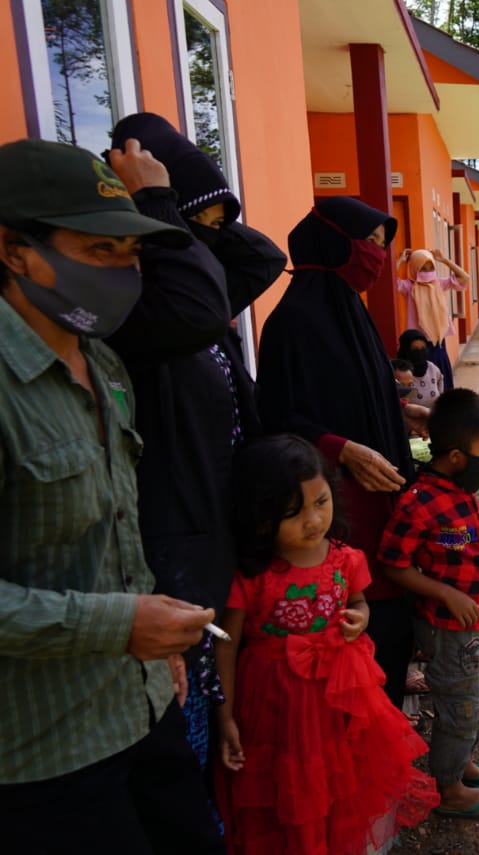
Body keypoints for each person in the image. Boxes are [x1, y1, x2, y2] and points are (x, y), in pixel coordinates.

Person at [0, 138, 223, 852]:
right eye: (100, 252)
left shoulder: (103, 361)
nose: (125, 273)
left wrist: (155, 647)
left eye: (132, 253)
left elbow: (117, 531)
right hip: (44, 753)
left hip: (141, 705)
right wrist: (119, 624)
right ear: (13, 250)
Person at [109, 112, 287, 777]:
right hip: (175, 550)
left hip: (214, 532)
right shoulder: (148, 313)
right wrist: (158, 206)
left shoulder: (197, 296)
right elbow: (198, 306)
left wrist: (188, 207)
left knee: (220, 726)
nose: (210, 242)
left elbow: (261, 257)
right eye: (198, 226)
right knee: (190, 736)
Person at [214, 435, 438, 853]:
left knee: (341, 781)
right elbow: (226, 645)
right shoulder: (251, 576)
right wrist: (225, 715)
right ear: (261, 519)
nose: (313, 520)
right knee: (292, 788)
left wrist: (360, 619)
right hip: (275, 704)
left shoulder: (346, 558)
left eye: (321, 502)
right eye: (293, 513)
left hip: (339, 695)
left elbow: (358, 602)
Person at [255, 196, 428, 710]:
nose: (376, 256)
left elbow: (354, 395)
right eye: (369, 243)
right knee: (356, 617)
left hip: (380, 492)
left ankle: (391, 722)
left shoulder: (352, 310)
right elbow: (279, 417)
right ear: (332, 241)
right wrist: (341, 449)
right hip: (337, 500)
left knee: (393, 614)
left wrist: (399, 414)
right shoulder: (292, 320)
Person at [379, 388, 479, 819]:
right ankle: (448, 787)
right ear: (456, 457)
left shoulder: (459, 490)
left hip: (477, 624)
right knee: (461, 708)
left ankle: (461, 760)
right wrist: (447, 593)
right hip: (448, 628)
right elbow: (393, 565)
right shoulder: (418, 503)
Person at [396, 247, 468, 391]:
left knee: (443, 383)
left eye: (430, 267)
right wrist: (401, 260)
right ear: (415, 268)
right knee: (423, 385)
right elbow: (389, 281)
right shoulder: (409, 287)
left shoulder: (439, 284)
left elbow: (464, 278)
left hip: (438, 342)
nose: (427, 272)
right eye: (423, 268)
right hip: (418, 345)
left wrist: (444, 260)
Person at [396, 328, 445, 410]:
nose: (419, 353)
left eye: (423, 349)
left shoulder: (433, 369)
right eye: (415, 349)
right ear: (405, 350)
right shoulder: (399, 372)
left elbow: (441, 393)